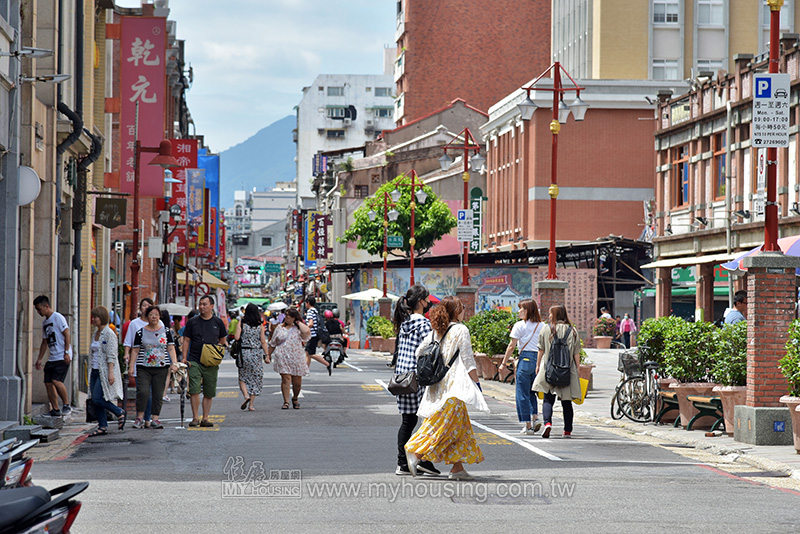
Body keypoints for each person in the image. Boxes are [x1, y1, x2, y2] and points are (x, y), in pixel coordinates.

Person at [405, 296, 488, 480]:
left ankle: (457, 468)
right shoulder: (460, 329)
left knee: (460, 427)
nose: (465, 309)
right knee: (444, 425)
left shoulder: (437, 331)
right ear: (455, 311)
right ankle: (416, 452)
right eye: (462, 307)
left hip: (437, 386)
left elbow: (419, 352)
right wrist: (477, 384)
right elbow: (468, 360)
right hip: (454, 387)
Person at [392, 284, 439, 477]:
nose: (429, 303)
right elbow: (429, 352)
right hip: (417, 377)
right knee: (428, 420)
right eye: (427, 299)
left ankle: (403, 463)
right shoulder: (423, 325)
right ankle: (424, 460)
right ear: (421, 301)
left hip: (402, 377)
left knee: (408, 420)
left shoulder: (404, 323)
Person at [533, 305, 583, 438]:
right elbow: (576, 353)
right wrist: (577, 369)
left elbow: (541, 350)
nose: (549, 316)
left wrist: (538, 365)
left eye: (550, 313)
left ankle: (548, 423)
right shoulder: (572, 331)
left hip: (549, 369)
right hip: (567, 370)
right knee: (566, 402)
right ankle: (567, 431)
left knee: (548, 399)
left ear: (555, 315)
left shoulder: (546, 329)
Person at [501, 299, 546, 435]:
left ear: (528, 310)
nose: (519, 311)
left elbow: (511, 345)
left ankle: (528, 425)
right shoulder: (542, 325)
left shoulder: (520, 325)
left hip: (525, 359)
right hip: (538, 360)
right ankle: (535, 417)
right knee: (532, 392)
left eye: (522, 309)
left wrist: (503, 363)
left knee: (522, 393)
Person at [182, 295, 228, 427]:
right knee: (194, 389)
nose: (201, 307)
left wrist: (215, 353)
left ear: (211, 306)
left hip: (211, 362)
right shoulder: (192, 322)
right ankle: (195, 417)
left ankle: (205, 418)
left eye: (204, 304)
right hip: (194, 359)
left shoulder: (218, 322)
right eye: (200, 304)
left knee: (209, 391)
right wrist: (184, 358)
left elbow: (222, 340)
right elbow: (186, 340)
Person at [130, 306, 178, 429]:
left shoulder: (166, 332)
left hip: (161, 366)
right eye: (151, 315)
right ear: (147, 317)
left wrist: (175, 363)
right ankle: (139, 417)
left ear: (159, 316)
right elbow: (135, 350)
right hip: (143, 366)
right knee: (143, 392)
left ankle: (155, 418)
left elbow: (171, 348)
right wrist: (131, 366)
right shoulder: (140, 332)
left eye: (156, 315)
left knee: (158, 393)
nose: (154, 317)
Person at [86, 306, 126, 437]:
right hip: (94, 370)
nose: (93, 319)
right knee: (94, 399)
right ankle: (102, 425)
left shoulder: (109, 334)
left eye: (95, 317)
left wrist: (111, 372)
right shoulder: (95, 334)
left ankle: (119, 411)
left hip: (104, 371)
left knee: (98, 398)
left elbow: (111, 354)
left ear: (102, 317)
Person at [123, 298, 160, 426]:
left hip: (156, 363)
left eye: (149, 305)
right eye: (144, 305)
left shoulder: (159, 324)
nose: (146, 307)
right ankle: (141, 416)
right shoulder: (134, 324)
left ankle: (148, 418)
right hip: (140, 361)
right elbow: (129, 342)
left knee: (152, 392)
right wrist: (127, 355)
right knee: (142, 391)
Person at [33, 295, 72, 417]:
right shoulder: (45, 322)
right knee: (48, 382)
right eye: (37, 310)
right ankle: (55, 409)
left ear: (46, 306)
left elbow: (67, 334)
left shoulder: (58, 317)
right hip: (52, 357)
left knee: (56, 380)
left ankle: (66, 405)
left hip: (62, 356)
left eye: (39, 309)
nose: (39, 312)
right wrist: (39, 358)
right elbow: (44, 342)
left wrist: (66, 352)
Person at [267, 308, 311, 409]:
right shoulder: (279, 327)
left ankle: (295, 398)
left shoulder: (299, 328)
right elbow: (273, 343)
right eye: (286, 315)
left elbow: (307, 332)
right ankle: (286, 401)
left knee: (297, 383)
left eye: (289, 316)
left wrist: (298, 322)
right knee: (286, 379)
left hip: (297, 358)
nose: (286, 317)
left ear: (294, 318)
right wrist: (268, 355)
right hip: (282, 357)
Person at [235, 303, 271, 411]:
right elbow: (263, 341)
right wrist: (267, 355)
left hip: (244, 352)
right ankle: (251, 405)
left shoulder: (242, 323)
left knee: (243, 377)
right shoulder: (260, 325)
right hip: (256, 353)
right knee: (255, 378)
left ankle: (246, 396)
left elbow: (237, 337)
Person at [303, 296, 332, 375]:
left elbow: (311, 324)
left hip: (312, 335)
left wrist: (304, 328)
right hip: (315, 334)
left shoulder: (309, 311)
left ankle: (327, 364)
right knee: (307, 353)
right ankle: (306, 370)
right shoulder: (315, 311)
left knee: (311, 354)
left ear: (308, 303)